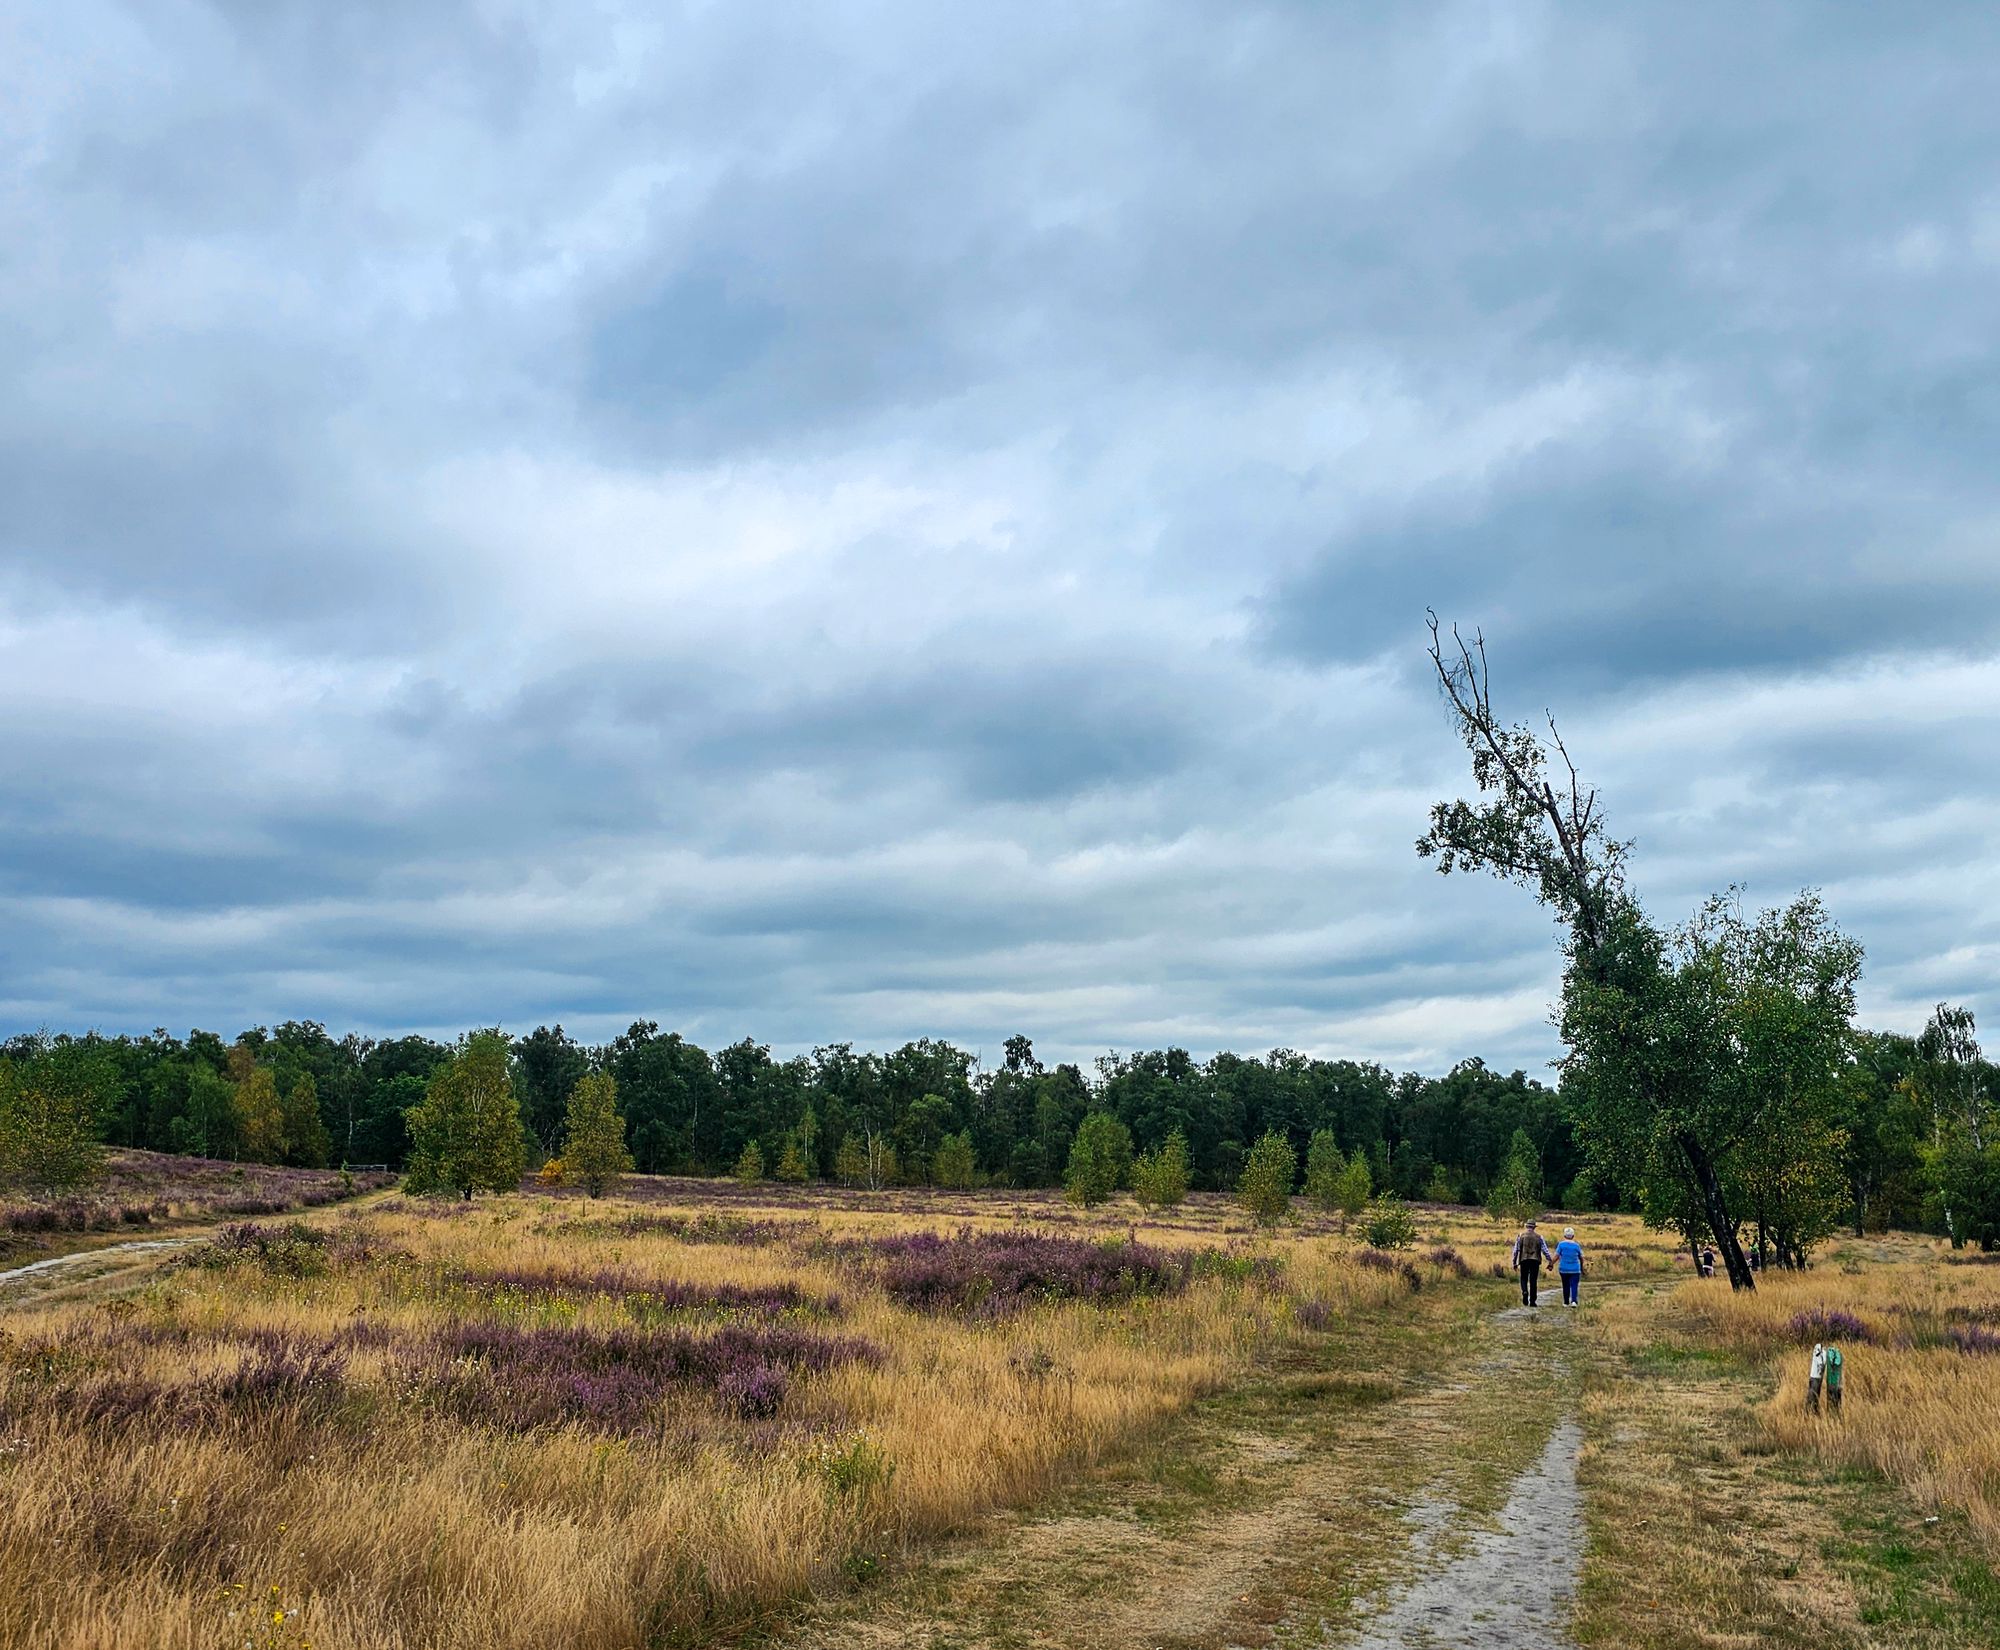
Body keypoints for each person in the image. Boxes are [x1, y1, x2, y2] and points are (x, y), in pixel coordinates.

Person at [1510, 1219, 1554, 1307]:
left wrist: (1514, 1262)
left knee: (1523, 1278)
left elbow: (1516, 1251)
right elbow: (1545, 1251)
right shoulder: (1539, 1237)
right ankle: (1533, 1301)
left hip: (1524, 1260)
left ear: (1526, 1226)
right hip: (1535, 1260)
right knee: (1533, 1280)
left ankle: (1525, 1291)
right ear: (1534, 1227)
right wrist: (1550, 1261)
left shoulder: (1521, 1236)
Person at [1556, 1227, 1584, 1307]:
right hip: (1575, 1269)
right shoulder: (1576, 1246)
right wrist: (1582, 1267)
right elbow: (1581, 1257)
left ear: (1564, 1235)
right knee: (1574, 1285)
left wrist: (1551, 1263)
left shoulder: (1561, 1245)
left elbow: (1557, 1255)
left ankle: (1565, 1302)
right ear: (1573, 1236)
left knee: (1565, 1285)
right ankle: (1574, 1301)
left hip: (1563, 1268)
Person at [1824, 1342, 1844, 1413]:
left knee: (1835, 1397)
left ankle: (1835, 1414)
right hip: (1833, 1383)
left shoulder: (1836, 1356)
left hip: (1835, 1383)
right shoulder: (1831, 1355)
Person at [1807, 1342, 1825, 1412]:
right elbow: (1820, 1364)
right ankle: (1813, 1410)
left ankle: (1810, 1410)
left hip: (1812, 1377)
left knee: (1811, 1394)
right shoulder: (1819, 1351)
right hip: (1816, 1378)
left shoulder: (1816, 1349)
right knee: (1814, 1395)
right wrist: (1821, 1371)